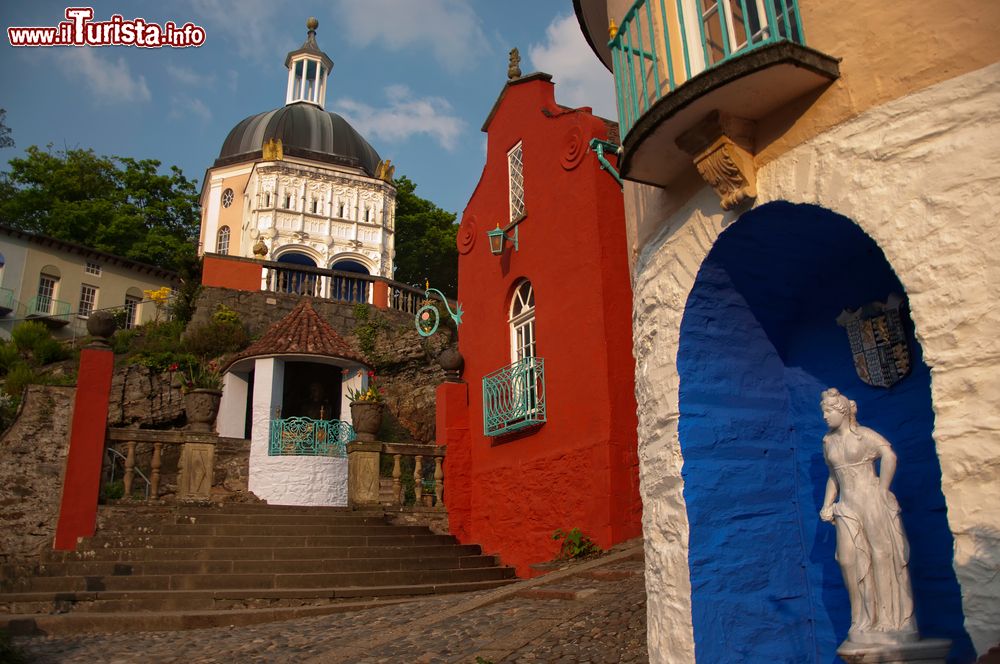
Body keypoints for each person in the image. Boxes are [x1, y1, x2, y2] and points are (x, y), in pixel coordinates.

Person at [819, 388, 917, 644]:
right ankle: (861, 618)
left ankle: (889, 619)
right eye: (824, 412)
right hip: (847, 505)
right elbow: (833, 476)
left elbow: (889, 455)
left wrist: (883, 490)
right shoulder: (828, 441)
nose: (825, 417)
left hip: (870, 499)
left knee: (881, 556)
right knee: (847, 558)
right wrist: (827, 504)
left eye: (828, 411)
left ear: (842, 411)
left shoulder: (864, 436)